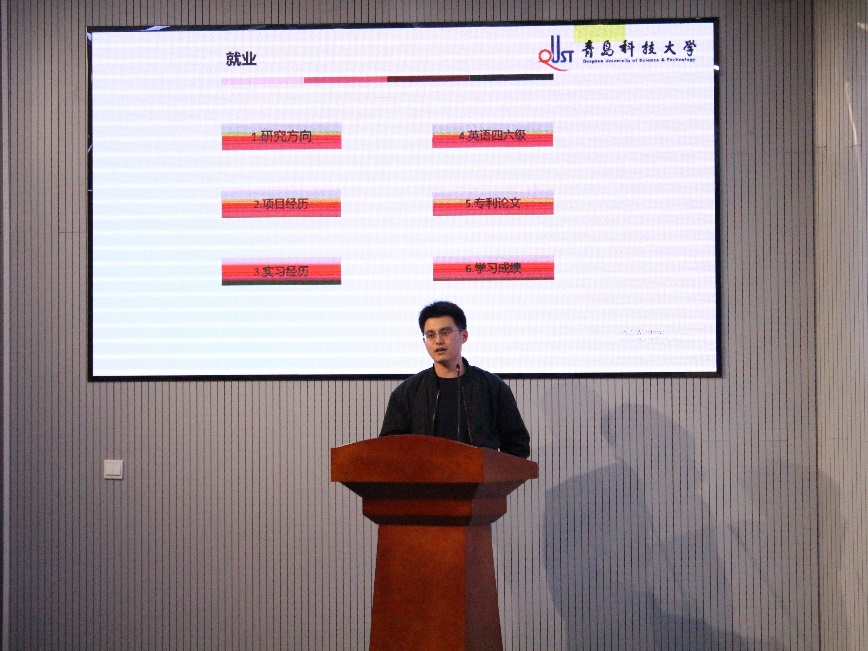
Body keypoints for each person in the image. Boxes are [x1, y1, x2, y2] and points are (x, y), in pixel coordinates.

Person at [379, 301, 531, 458]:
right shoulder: (407, 392)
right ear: (424, 342)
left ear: (464, 336)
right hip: (425, 474)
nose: (438, 341)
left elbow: (517, 445)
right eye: (430, 335)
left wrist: (494, 472)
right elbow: (390, 448)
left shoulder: (492, 388)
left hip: (479, 474)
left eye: (445, 332)